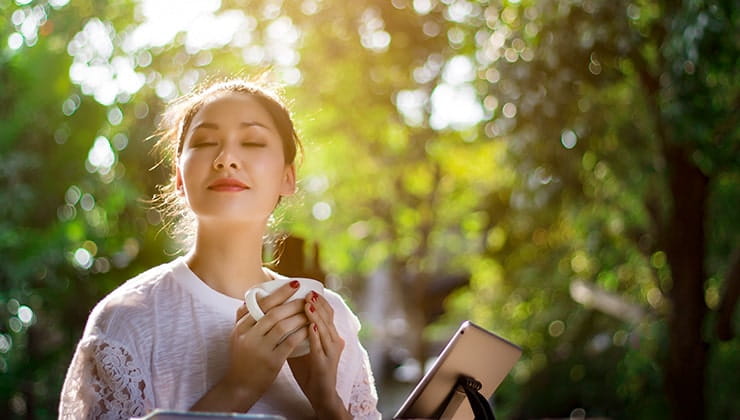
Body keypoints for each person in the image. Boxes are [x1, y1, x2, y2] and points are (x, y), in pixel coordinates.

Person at [59, 78, 381, 420]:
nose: (226, 158)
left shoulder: (332, 321)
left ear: (288, 177)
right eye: (206, 141)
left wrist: (327, 401)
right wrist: (237, 388)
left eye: (253, 142)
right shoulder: (128, 319)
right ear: (179, 179)